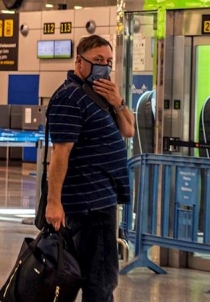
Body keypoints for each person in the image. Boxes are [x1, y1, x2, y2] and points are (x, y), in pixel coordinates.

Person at [45, 34, 134, 302]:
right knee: (99, 282)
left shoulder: (100, 95)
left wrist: (118, 102)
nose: (104, 66)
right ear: (79, 62)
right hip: (88, 206)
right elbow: (60, 154)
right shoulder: (70, 97)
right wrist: (53, 202)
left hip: (101, 201)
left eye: (108, 61)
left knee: (101, 279)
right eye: (97, 60)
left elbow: (128, 129)